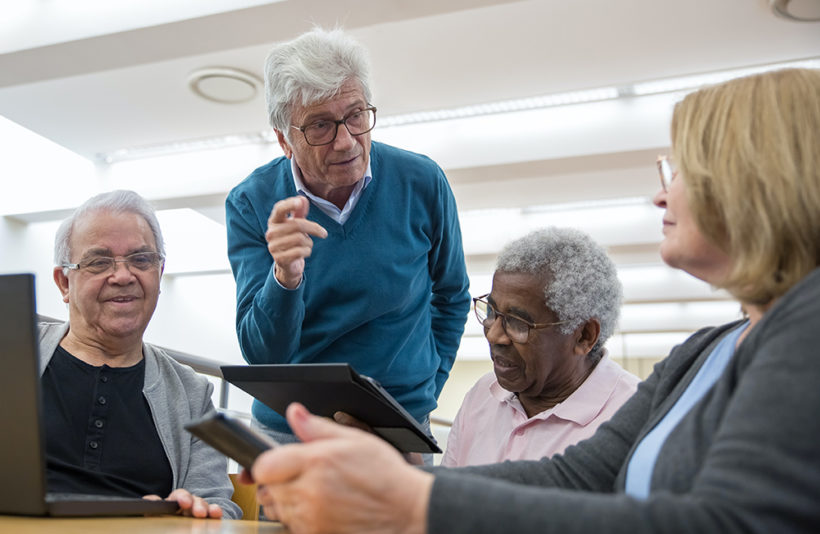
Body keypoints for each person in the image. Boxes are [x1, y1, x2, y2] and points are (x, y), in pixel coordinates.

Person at [245, 67, 820, 533]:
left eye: (684, 170)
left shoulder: (806, 330)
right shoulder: (705, 351)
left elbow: (726, 521)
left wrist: (413, 505)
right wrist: (385, 480)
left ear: (754, 186)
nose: (661, 193)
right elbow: (578, 476)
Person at [225, 27, 470, 446]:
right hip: (293, 430)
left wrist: (423, 394)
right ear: (284, 139)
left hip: (396, 428)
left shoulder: (421, 181)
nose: (345, 141)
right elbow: (264, 355)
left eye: (356, 115)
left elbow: (452, 296)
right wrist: (285, 277)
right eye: (320, 125)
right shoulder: (252, 202)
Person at [43, 190, 240, 519]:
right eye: (99, 262)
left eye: (141, 259)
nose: (123, 276)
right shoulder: (12, 355)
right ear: (64, 282)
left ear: (159, 274)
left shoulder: (191, 394)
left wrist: (198, 514)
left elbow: (218, 504)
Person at [442, 227, 638, 467]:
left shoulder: (634, 418)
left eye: (517, 322)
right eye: (492, 311)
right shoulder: (482, 396)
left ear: (583, 336)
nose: (494, 335)